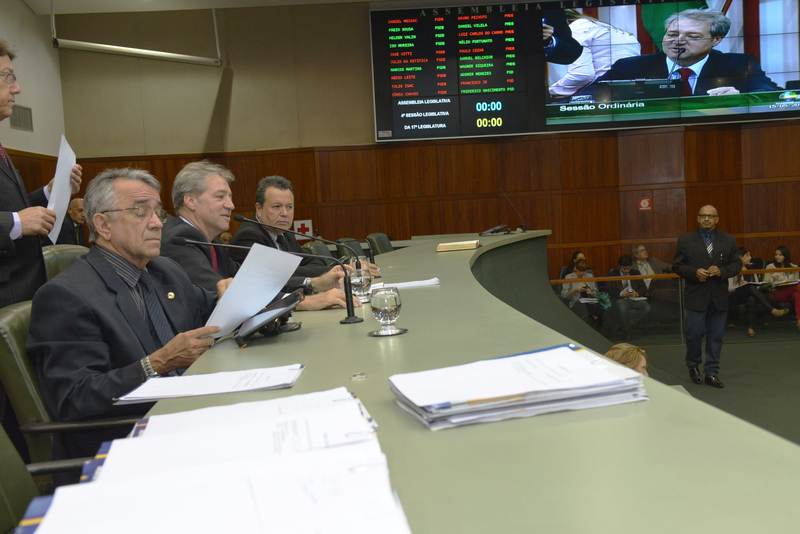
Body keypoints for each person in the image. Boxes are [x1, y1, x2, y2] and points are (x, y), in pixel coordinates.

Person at [27, 168, 223, 461]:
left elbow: (210, 309)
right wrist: (156, 364)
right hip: (127, 443)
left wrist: (237, 294)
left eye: (158, 213)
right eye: (141, 213)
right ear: (103, 225)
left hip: (189, 413)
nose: (156, 223)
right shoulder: (66, 296)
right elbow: (76, 397)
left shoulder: (164, 270)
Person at [160, 161, 357, 310]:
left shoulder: (212, 241)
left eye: (230, 197)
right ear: (190, 201)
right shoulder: (180, 239)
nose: (231, 205)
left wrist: (312, 284)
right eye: (220, 197)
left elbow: (251, 281)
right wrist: (303, 301)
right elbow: (226, 292)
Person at [0, 39, 83, 308]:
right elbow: (16, 219)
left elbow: (14, 209)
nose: (17, 88)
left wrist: (50, 192)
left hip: (22, 289)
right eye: (7, 77)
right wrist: (14, 223)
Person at [588, 9, 779, 97]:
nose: (677, 41)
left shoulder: (738, 64)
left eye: (692, 36)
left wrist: (741, 97)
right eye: (672, 34)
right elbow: (587, 97)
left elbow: (770, 94)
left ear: (716, 40)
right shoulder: (631, 67)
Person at [229, 175, 380, 278]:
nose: (284, 213)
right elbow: (279, 275)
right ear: (259, 209)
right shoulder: (249, 236)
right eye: (276, 207)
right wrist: (338, 270)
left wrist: (336, 269)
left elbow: (315, 261)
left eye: (289, 207)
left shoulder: (285, 234)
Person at [672, 205, 741, 388]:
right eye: (703, 216)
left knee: (715, 337)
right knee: (693, 334)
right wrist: (694, 272)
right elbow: (677, 266)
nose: (707, 219)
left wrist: (722, 271)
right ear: (698, 218)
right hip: (696, 296)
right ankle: (693, 365)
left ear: (716, 219)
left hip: (719, 297)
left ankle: (711, 372)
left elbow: (736, 265)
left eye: (710, 216)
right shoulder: (685, 240)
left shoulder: (728, 240)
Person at [549, 10, 640, 99]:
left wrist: (550, 92)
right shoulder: (606, 27)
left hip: (605, 91)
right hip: (634, 90)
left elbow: (581, 76)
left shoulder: (575, 29)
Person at [728, 247, 787, 337]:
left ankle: (750, 328)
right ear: (740, 257)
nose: (750, 258)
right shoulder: (733, 270)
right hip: (735, 296)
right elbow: (729, 288)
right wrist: (740, 285)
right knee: (749, 287)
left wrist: (759, 286)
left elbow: (757, 286)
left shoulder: (752, 269)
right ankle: (772, 310)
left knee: (751, 298)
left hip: (749, 295)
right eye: (747, 256)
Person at [606, 255, 650, 341]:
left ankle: (625, 325)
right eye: (624, 269)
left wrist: (636, 293)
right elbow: (607, 289)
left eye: (629, 268)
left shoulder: (635, 273)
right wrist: (621, 293)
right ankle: (627, 331)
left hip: (634, 300)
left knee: (646, 307)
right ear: (619, 266)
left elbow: (643, 288)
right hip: (620, 299)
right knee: (622, 307)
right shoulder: (613, 274)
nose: (626, 271)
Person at [763, 245, 800, 331]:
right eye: (776, 254)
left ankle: (799, 321)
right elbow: (765, 284)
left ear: (785, 256)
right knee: (797, 287)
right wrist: (772, 280)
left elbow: (797, 281)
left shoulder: (794, 267)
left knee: (798, 295)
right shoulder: (770, 267)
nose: (777, 257)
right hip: (777, 293)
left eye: (780, 255)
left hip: (790, 294)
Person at [560, 259, 602, 327]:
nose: (582, 273)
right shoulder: (569, 277)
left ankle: (593, 322)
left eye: (584, 271)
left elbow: (596, 293)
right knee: (583, 306)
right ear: (575, 269)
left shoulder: (590, 276)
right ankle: (593, 319)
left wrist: (590, 293)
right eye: (580, 271)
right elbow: (563, 294)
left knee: (600, 305)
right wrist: (575, 290)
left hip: (590, 301)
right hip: (576, 301)